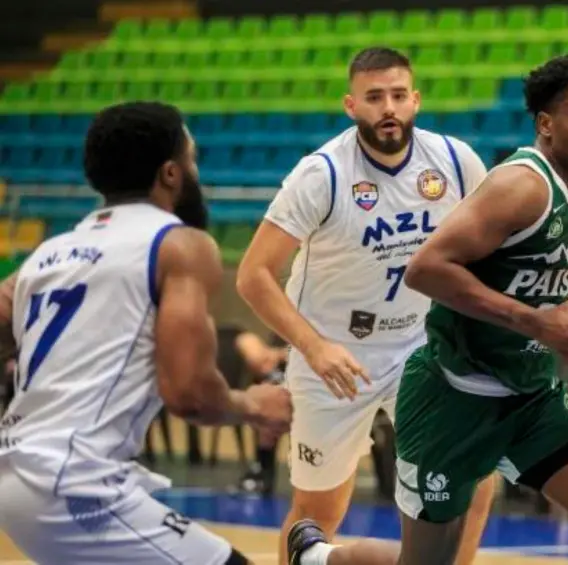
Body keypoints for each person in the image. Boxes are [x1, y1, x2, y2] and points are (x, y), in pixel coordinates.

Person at [287, 54, 568, 565]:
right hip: (453, 396)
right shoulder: (521, 186)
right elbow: (425, 269)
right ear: (546, 125)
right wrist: (533, 321)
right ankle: (318, 558)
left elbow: (566, 311)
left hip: (532, 399)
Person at [0, 101, 292, 565]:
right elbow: (189, 394)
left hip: (15, 476)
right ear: (172, 173)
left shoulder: (46, 254)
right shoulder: (180, 244)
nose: (196, 173)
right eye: (192, 160)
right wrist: (253, 405)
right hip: (75, 484)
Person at [236, 47, 495, 565]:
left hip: (421, 345)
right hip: (334, 353)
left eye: (398, 95)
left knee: (474, 472)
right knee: (317, 511)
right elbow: (252, 276)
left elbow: (494, 244)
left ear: (415, 99)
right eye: (374, 97)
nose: (388, 108)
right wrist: (313, 348)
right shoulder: (321, 174)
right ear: (351, 105)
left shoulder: (455, 161)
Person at [234, 330, 288, 495]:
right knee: (271, 397)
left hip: (317, 378)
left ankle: (262, 467)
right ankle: (262, 467)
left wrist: (281, 354)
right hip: (283, 377)